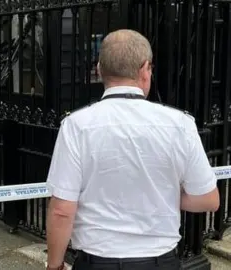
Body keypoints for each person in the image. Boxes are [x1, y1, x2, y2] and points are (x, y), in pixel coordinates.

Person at [45, 29, 220, 270]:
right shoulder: (180, 124)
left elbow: (62, 210)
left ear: (99, 69)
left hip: (97, 262)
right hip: (160, 262)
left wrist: (53, 266)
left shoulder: (77, 126)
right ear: (145, 70)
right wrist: (162, 192)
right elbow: (208, 199)